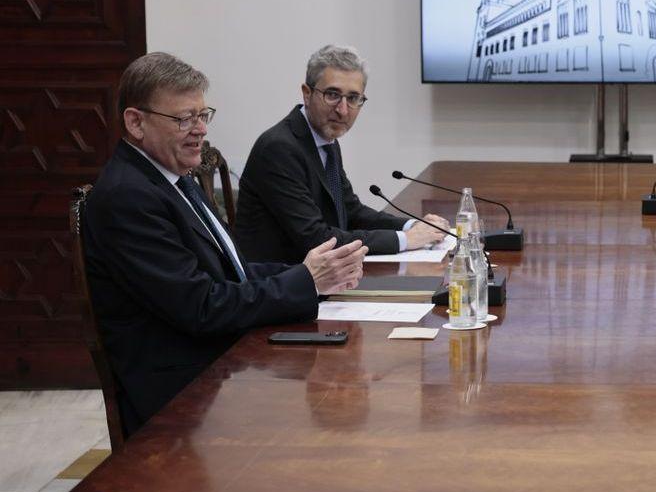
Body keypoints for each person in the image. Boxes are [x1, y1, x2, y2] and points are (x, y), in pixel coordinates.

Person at [82, 52, 367, 435]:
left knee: (335, 381)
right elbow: (200, 307)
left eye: (203, 116)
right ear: (136, 122)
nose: (200, 130)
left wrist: (312, 277)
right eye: (184, 119)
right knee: (322, 410)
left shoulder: (171, 177)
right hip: (181, 391)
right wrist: (306, 281)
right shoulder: (128, 197)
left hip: (218, 361)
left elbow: (230, 270)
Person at [235, 45, 448, 264]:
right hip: (279, 284)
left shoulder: (325, 140)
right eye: (332, 95)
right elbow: (317, 238)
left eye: (353, 98)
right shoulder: (279, 149)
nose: (343, 110)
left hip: (320, 278)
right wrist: (405, 239)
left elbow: (350, 211)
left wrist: (411, 226)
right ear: (307, 94)